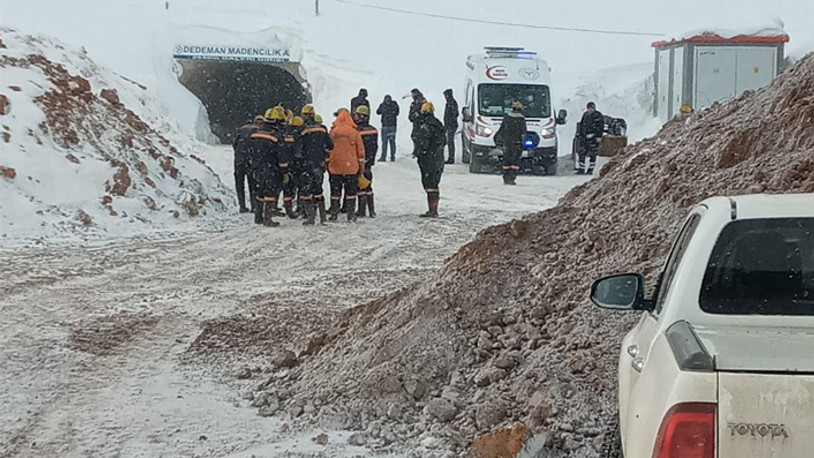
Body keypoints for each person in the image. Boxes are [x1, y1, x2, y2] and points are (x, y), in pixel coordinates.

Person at [247, 106, 289, 227]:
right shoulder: (276, 136)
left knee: (260, 192)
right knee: (271, 193)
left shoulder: (255, 134)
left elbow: (249, 151)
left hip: (256, 168)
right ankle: (268, 219)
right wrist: (284, 172)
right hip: (272, 169)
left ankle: (258, 217)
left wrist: (252, 165)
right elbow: (282, 157)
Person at [298, 106, 334, 225]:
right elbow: (330, 146)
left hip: (307, 164)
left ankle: (311, 217)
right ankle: (323, 217)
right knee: (318, 189)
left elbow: (298, 148)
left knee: (307, 190)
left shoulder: (303, 130)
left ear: (307, 115)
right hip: (319, 164)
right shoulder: (322, 129)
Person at [328, 109, 365, 222]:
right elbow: (361, 152)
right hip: (351, 168)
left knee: (335, 192)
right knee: (351, 192)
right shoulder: (354, 132)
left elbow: (327, 149)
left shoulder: (333, 132)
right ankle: (351, 214)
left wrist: (327, 164)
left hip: (335, 167)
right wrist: (361, 168)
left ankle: (334, 213)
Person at [412, 102, 446, 218]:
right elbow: (444, 142)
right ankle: (434, 209)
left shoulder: (426, 127)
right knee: (435, 185)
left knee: (429, 185)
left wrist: (419, 153)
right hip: (439, 160)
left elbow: (422, 144)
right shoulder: (439, 125)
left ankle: (432, 210)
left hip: (428, 161)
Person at [233, 115, 263, 213]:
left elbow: (234, 143)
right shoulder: (258, 131)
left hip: (239, 160)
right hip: (251, 160)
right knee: (253, 183)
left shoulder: (242, 129)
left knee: (239, 183)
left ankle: (242, 206)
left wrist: (239, 153)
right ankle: (254, 206)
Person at [353, 105, 379, 218]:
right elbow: (375, 147)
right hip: (369, 162)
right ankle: (372, 211)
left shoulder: (357, 131)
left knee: (360, 186)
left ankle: (361, 211)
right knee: (368, 186)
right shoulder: (373, 130)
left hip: (360, 161)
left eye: (357, 115)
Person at [494, 101, 527, 185]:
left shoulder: (507, 118)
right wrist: (523, 143)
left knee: (506, 160)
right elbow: (523, 132)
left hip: (507, 142)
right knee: (515, 161)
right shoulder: (521, 119)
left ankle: (506, 177)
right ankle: (512, 177)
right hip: (517, 143)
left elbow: (501, 130)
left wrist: (498, 140)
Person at [281, 115, 305, 219]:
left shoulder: (285, 135)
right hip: (298, 166)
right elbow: (300, 152)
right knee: (301, 186)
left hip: (287, 165)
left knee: (287, 188)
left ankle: (288, 209)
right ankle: (300, 207)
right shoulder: (301, 136)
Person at [578, 101, 604, 175]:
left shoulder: (598, 115)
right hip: (584, 138)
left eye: (591, 108)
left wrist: (598, 136)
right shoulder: (585, 115)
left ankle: (590, 169)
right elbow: (582, 125)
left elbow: (600, 127)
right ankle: (581, 169)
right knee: (582, 153)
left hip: (593, 138)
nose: (590, 109)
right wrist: (581, 135)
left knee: (593, 154)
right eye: (589, 108)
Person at [376, 95, 399, 162]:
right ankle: (392, 156)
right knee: (392, 142)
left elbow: (378, 112)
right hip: (393, 126)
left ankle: (383, 157)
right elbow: (397, 113)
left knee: (384, 142)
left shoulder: (383, 105)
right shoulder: (394, 104)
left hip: (385, 126)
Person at [408, 88, 427, 156]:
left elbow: (425, 110)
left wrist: (419, 115)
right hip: (415, 122)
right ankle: (416, 150)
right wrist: (411, 116)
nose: (412, 95)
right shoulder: (414, 102)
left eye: (413, 93)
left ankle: (420, 150)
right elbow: (412, 111)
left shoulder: (422, 100)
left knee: (420, 136)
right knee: (414, 136)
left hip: (421, 122)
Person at [443, 89, 459, 164]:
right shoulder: (450, 103)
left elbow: (455, 114)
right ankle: (450, 157)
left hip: (451, 125)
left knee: (450, 141)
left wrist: (449, 123)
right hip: (449, 125)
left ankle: (451, 158)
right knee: (449, 141)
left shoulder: (452, 103)